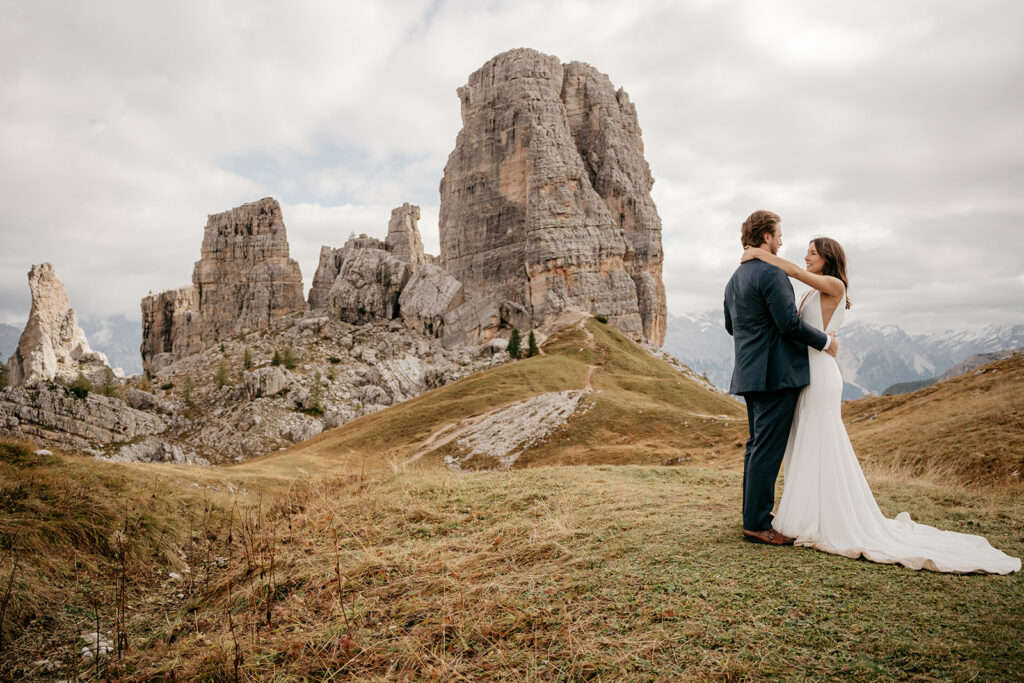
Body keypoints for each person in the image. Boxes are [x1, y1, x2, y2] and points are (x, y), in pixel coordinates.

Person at [741, 236, 1021, 574]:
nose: (806, 256)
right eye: (807, 252)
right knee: (806, 442)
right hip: (805, 372)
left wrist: (757, 253)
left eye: (813, 253)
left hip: (820, 375)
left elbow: (794, 272)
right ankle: (804, 512)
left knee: (820, 440)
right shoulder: (814, 292)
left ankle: (821, 518)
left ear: (828, 258)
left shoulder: (832, 284)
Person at [723, 210, 838, 546]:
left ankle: (753, 515)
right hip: (775, 374)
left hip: (748, 372)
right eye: (779, 235)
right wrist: (826, 341)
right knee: (767, 450)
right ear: (766, 238)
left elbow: (732, 326)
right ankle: (757, 523)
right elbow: (788, 323)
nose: (782, 241)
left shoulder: (735, 279)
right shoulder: (772, 275)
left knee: (756, 447)